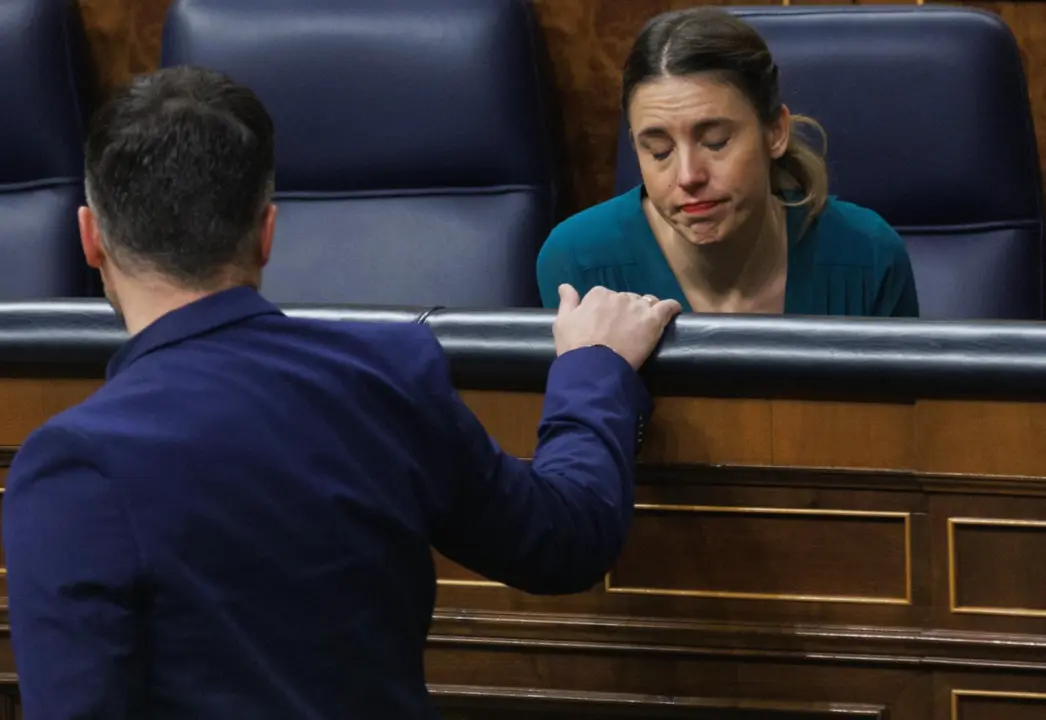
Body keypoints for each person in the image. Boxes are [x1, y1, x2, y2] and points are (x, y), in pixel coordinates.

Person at [2, 66, 681, 719]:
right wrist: (592, 368)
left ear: (91, 238)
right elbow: (564, 541)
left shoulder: (71, 467)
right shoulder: (386, 374)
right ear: (266, 233)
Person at [537, 7, 919, 318]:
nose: (688, 176)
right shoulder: (579, 261)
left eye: (716, 142)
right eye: (659, 151)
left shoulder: (869, 256)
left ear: (775, 132)